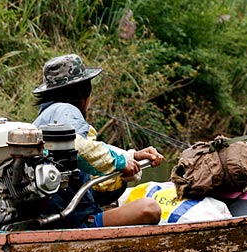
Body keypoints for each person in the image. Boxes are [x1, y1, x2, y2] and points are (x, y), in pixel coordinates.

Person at [31, 53, 164, 228]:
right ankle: (91, 224)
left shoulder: (46, 117)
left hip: (52, 215)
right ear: (84, 91)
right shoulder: (67, 110)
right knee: (150, 208)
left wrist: (132, 156)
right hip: (70, 220)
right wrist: (119, 162)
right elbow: (76, 145)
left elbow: (88, 153)